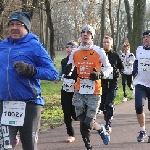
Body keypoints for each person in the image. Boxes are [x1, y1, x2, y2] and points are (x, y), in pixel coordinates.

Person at [0, 11, 58, 150]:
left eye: (19, 25)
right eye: (11, 24)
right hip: (5, 105)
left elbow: (53, 73)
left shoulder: (34, 46)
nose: (14, 28)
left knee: (29, 147)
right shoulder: (2, 46)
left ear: (26, 28)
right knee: (4, 147)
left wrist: (32, 70)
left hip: (30, 104)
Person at [63, 25, 113, 150]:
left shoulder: (98, 51)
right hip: (79, 89)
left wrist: (100, 74)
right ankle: (88, 146)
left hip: (94, 91)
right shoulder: (75, 52)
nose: (85, 34)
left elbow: (109, 68)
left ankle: (101, 129)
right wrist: (68, 70)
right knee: (81, 121)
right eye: (83, 32)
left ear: (92, 36)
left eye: (88, 33)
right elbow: (70, 68)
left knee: (88, 122)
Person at [98, 35, 124, 133]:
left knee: (109, 104)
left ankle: (108, 124)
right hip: (102, 84)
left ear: (111, 44)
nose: (105, 44)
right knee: (102, 106)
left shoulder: (115, 55)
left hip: (112, 84)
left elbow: (121, 68)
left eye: (107, 42)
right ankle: (107, 114)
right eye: (104, 42)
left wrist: (119, 73)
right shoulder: (99, 54)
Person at [57, 41, 78, 143]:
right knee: (66, 113)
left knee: (75, 114)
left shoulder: (79, 61)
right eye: (67, 47)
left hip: (77, 90)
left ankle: (91, 122)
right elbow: (60, 73)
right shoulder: (64, 61)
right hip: (65, 89)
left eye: (72, 47)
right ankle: (71, 134)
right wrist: (56, 78)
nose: (69, 49)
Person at [132, 30, 150, 143]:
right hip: (140, 83)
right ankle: (142, 131)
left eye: (148, 37)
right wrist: (134, 70)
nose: (146, 39)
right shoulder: (139, 49)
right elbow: (136, 62)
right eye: (144, 37)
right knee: (138, 106)